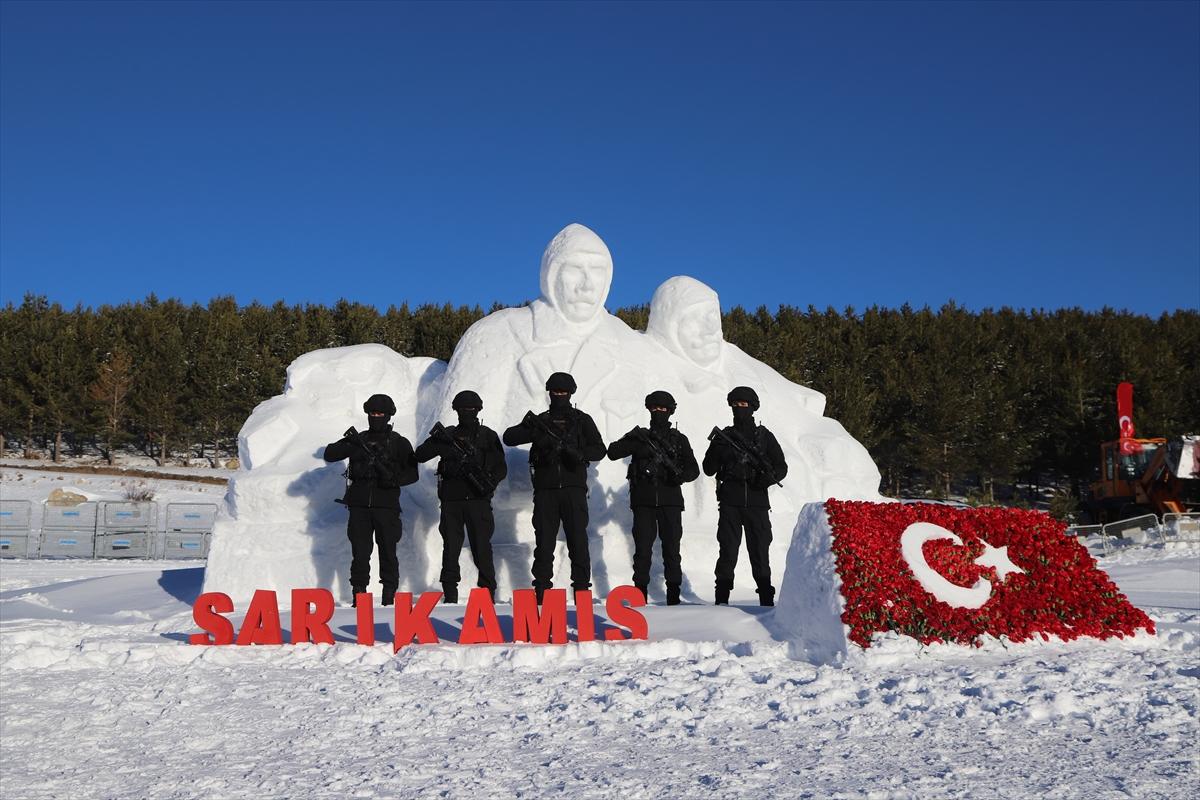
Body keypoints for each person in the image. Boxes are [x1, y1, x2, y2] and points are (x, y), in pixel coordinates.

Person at [502, 371, 606, 601]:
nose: (559, 395)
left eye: (563, 392)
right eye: (556, 391)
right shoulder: (541, 422)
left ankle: (581, 590)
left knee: (578, 541)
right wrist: (531, 428)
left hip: (573, 490)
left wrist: (579, 453)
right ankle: (541, 591)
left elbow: (600, 449)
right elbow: (509, 437)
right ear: (549, 393)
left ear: (571, 393)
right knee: (544, 542)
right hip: (546, 491)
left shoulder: (582, 421)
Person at [322, 393, 418, 606]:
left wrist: (394, 480)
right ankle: (359, 595)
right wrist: (352, 445)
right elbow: (330, 454)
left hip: (387, 506)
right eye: (372, 413)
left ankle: (389, 596)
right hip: (359, 506)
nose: (376, 417)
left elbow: (413, 474)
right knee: (360, 552)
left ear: (389, 415)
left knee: (388, 552)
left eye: (380, 414)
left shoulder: (398, 443)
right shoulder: (360, 440)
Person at [606, 390, 700, 605]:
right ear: (648, 410)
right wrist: (634, 439)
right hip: (644, 502)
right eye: (654, 408)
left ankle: (673, 596)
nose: (658, 412)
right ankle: (639, 595)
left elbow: (693, 469)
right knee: (642, 551)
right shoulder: (641, 438)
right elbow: (612, 452)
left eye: (663, 409)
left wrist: (679, 476)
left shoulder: (679, 439)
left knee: (672, 550)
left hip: (671, 501)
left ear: (670, 411)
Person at [414, 390, 507, 603]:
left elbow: (501, 467)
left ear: (478, 410)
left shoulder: (487, 436)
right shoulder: (447, 435)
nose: (467, 412)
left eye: (471, 409)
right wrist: (441, 445)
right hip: (452, 502)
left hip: (478, 500)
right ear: (456, 410)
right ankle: (450, 595)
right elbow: (420, 454)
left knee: (482, 548)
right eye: (463, 409)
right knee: (451, 549)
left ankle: (487, 594)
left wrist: (489, 481)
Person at [702, 386, 787, 606]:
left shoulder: (764, 437)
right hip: (730, 502)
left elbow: (781, 467)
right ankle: (721, 600)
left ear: (753, 407)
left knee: (760, 552)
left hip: (757, 503)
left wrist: (766, 479)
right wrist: (718, 449)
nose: (739, 408)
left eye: (744, 404)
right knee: (727, 551)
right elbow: (708, 469)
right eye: (735, 404)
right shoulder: (724, 436)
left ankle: (766, 601)